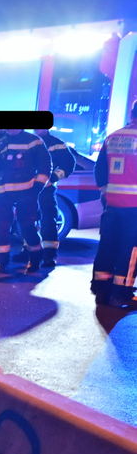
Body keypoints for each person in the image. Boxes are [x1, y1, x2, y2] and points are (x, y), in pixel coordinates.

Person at [0, 126, 51, 276]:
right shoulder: (0, 144)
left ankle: (35, 260)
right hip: (2, 194)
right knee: (0, 228)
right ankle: (1, 263)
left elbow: (45, 167)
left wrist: (37, 187)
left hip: (26, 193)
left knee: (28, 227)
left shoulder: (34, 142)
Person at [91, 99, 137, 307]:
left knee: (108, 245)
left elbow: (99, 169)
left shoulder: (113, 137)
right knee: (130, 249)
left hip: (112, 203)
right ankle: (121, 293)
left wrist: (105, 192)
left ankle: (102, 290)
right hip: (134, 206)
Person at [35, 127, 77, 268]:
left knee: (48, 221)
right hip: (29, 190)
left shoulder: (56, 143)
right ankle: (29, 252)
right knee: (28, 221)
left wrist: (53, 177)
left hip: (46, 190)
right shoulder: (29, 141)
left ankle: (49, 256)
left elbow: (69, 163)